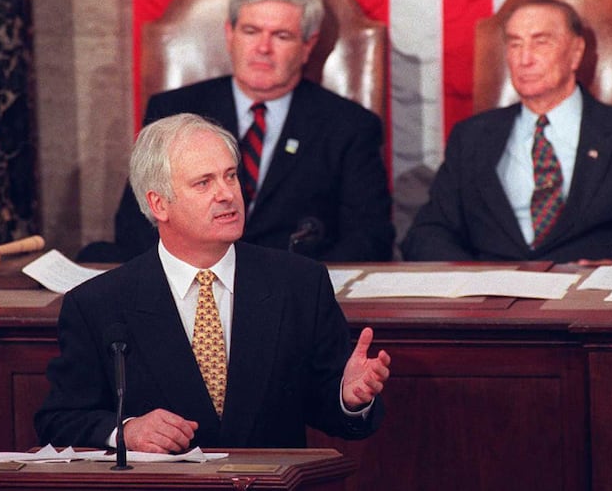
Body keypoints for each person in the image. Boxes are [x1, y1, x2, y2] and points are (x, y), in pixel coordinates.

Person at [35, 113, 391, 451]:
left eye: (231, 176)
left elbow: (327, 405)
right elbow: (58, 419)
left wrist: (348, 396)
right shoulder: (99, 303)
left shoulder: (299, 283)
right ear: (159, 204)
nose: (226, 194)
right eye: (204, 182)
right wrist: (126, 430)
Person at [79, 0, 394, 264]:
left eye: (281, 36)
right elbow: (137, 225)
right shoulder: (173, 110)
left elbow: (369, 239)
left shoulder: (349, 126)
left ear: (307, 46)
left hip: (290, 298)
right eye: (251, 31)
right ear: (230, 34)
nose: (263, 48)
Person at [401, 0, 612, 264]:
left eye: (541, 42)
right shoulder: (471, 138)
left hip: (588, 311)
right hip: (490, 316)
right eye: (515, 44)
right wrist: (473, 282)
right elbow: (427, 234)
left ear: (576, 52)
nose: (525, 59)